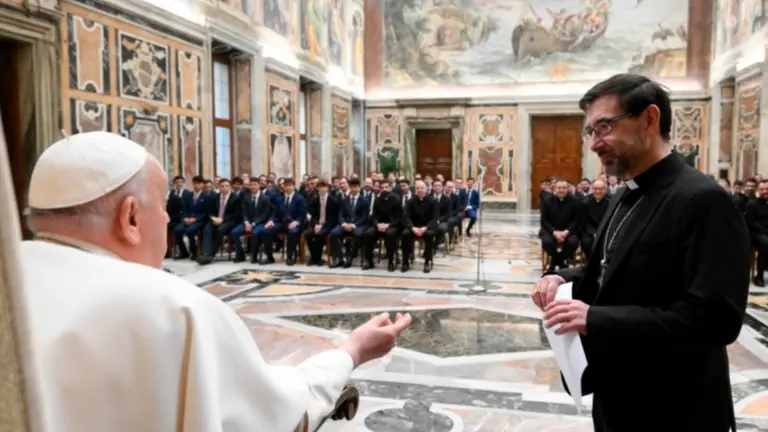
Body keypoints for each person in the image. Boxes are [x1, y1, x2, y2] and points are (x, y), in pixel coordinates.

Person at [21, 131, 412, 431]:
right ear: (131, 218)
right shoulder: (177, 310)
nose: (168, 218)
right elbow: (276, 412)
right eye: (161, 207)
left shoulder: (13, 278)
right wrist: (352, 351)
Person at [531, 74, 749, 431]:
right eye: (591, 132)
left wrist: (596, 319)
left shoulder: (702, 199)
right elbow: (613, 269)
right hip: (618, 397)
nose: (594, 144)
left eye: (604, 127)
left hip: (675, 407)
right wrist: (562, 277)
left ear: (649, 118)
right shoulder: (624, 194)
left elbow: (715, 320)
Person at [305, 180, 339, 265]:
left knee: (319, 235)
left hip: (328, 225)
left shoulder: (332, 200)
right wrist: (316, 225)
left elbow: (333, 218)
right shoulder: (315, 199)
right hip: (317, 224)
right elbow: (314, 216)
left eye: (324, 187)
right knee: (307, 234)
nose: (322, 189)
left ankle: (318, 258)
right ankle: (314, 257)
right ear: (317, 188)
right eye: (320, 187)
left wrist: (322, 226)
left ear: (327, 188)